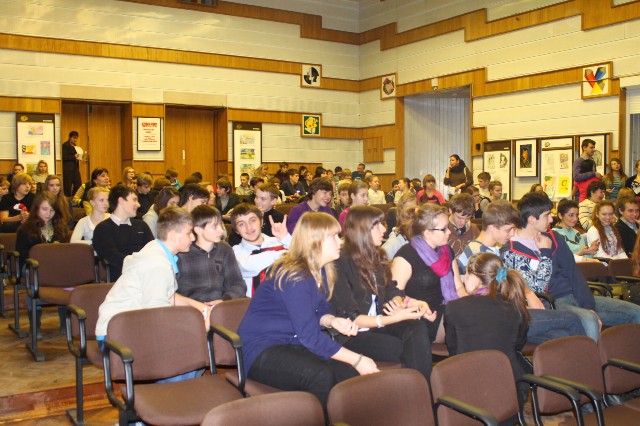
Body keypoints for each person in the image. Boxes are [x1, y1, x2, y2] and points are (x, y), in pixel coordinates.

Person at [237, 212, 378, 409]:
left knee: (347, 373)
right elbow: (309, 336)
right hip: (262, 348)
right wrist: (358, 359)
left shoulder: (323, 270)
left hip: (292, 341)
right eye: (334, 236)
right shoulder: (294, 276)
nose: (340, 241)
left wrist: (331, 320)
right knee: (320, 376)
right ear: (316, 242)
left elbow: (320, 310)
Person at [501, 192, 640, 341]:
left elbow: (573, 273)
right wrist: (545, 252)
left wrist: (589, 306)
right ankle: (592, 355)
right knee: (589, 322)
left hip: (576, 296)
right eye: (547, 215)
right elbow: (537, 288)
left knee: (636, 312)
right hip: (552, 303)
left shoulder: (554, 238)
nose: (551, 219)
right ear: (532, 219)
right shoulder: (510, 250)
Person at [95, 206, 210, 383]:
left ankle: (170, 390)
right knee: (190, 351)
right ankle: (166, 394)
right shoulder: (157, 265)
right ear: (173, 235)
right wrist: (196, 327)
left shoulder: (156, 250)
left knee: (195, 351)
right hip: (117, 336)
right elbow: (158, 319)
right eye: (189, 233)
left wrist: (198, 306)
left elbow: (168, 296)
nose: (193, 238)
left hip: (128, 327)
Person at [457, 200, 585, 344]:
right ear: (492, 228)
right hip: (500, 319)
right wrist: (525, 300)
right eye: (508, 229)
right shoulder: (478, 254)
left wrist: (527, 293)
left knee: (563, 335)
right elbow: (487, 298)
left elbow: (505, 286)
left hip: (509, 313)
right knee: (571, 320)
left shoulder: (493, 251)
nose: (512, 234)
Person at [332, 206, 435, 378]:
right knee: (407, 348)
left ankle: (422, 386)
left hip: (378, 323)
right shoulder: (340, 263)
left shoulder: (377, 255)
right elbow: (351, 317)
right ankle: (420, 387)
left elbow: (391, 289)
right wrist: (395, 317)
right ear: (362, 230)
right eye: (377, 225)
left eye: (382, 224)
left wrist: (402, 303)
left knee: (417, 328)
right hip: (353, 333)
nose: (384, 229)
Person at [445, 253, 529, 407]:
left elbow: (453, 349)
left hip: (467, 393)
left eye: (466, 274)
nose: (464, 279)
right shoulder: (515, 306)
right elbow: (519, 344)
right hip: (510, 392)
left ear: (474, 277)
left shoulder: (454, 308)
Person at [390, 204, 460, 345]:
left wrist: (472, 304)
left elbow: (458, 287)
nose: (449, 232)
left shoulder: (447, 251)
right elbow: (393, 295)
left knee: (476, 316)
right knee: (465, 325)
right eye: (444, 229)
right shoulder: (406, 255)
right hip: (422, 316)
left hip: (448, 308)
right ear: (427, 233)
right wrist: (415, 305)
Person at [16, 191, 71, 330]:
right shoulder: (26, 229)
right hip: (33, 267)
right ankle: (35, 326)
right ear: (36, 209)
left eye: (52, 210)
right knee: (33, 278)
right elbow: (23, 255)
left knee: (68, 275)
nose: (48, 214)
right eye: (44, 209)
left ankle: (65, 323)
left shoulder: (61, 228)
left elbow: (66, 252)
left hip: (56, 268)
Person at [177, 204, 246, 304]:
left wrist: (225, 300)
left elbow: (237, 283)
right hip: (191, 308)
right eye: (214, 226)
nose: (221, 231)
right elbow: (173, 292)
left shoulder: (225, 249)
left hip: (221, 305)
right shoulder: (182, 253)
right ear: (198, 230)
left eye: (221, 225)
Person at [92, 185, 154, 281]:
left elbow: (153, 250)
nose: (138, 205)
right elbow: (113, 258)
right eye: (134, 200)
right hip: (122, 279)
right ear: (121, 201)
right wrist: (140, 264)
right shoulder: (103, 229)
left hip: (147, 275)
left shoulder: (141, 225)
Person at [231, 203, 291, 296]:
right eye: (241, 224)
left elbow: (304, 257)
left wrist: (286, 238)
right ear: (236, 231)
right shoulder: (235, 252)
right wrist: (285, 254)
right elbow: (249, 266)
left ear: (261, 222)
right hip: (254, 302)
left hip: (287, 297)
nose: (249, 227)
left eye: (252, 220)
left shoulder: (281, 242)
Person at [446, 193, 480, 257]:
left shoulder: (473, 229)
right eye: (459, 218)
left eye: (468, 218)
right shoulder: (442, 230)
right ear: (450, 211)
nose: (463, 222)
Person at [62, 131, 82, 197]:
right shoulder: (65, 145)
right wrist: (74, 156)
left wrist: (79, 156)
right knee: (67, 186)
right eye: (73, 138)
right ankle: (67, 199)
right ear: (70, 137)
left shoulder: (75, 146)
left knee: (78, 184)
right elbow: (64, 157)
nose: (75, 140)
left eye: (76, 138)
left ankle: (74, 198)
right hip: (67, 169)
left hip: (75, 168)